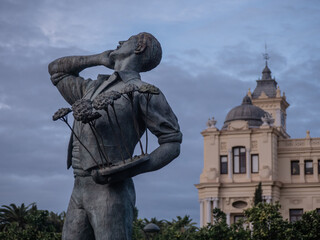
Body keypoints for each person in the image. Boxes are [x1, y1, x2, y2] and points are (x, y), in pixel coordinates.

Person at [48, 32, 182, 240]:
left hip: (110, 191)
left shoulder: (143, 92)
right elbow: (56, 70)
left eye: (128, 39)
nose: (120, 42)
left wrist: (129, 169)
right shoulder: (90, 88)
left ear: (139, 48)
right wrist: (98, 58)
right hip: (79, 188)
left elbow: (172, 141)